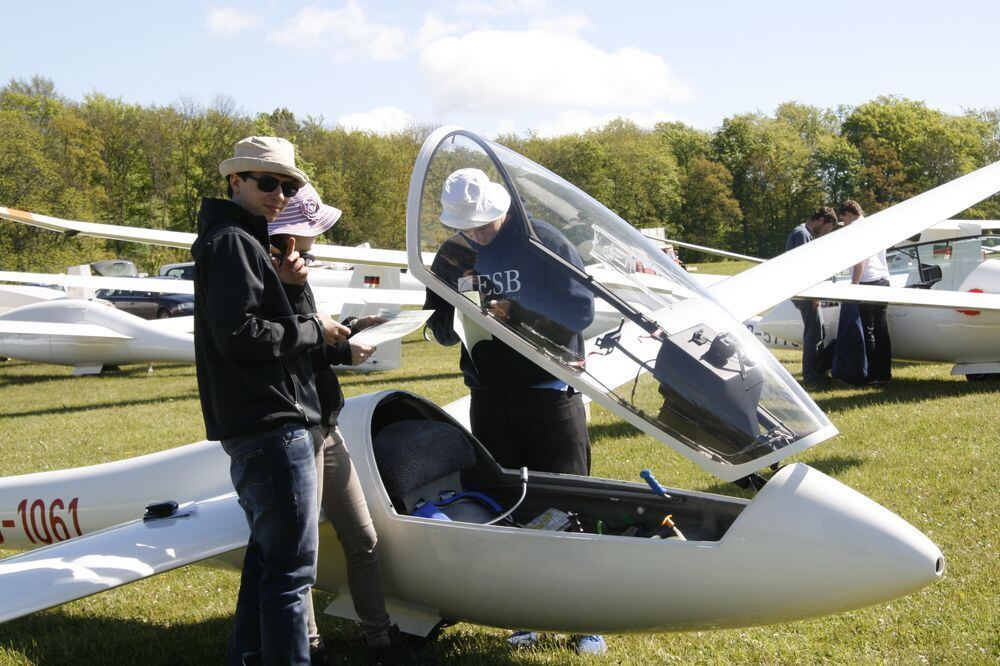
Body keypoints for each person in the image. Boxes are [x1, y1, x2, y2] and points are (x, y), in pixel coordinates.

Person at [423, 168, 606, 655]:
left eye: (484, 224)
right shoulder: (453, 254)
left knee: (570, 499)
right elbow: (439, 323)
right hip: (490, 391)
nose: (477, 235)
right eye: (468, 227)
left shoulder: (543, 241)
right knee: (508, 501)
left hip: (550, 388)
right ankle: (525, 613)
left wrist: (516, 313)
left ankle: (585, 617)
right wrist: (445, 318)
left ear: (503, 208)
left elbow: (580, 310)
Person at [192, 136, 347, 665]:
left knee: (267, 560)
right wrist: (314, 330)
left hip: (264, 419)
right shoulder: (233, 241)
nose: (280, 194)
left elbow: (257, 326)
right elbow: (240, 336)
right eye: (268, 183)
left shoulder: (244, 240)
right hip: (270, 422)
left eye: (289, 185)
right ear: (235, 180)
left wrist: (290, 293)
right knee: (290, 573)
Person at [267, 184, 409, 662]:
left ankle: (380, 635)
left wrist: (352, 331)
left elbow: (312, 340)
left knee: (363, 537)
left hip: (324, 421)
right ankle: (311, 645)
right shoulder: (269, 276)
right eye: (308, 232)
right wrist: (326, 333)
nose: (314, 242)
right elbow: (276, 346)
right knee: (299, 551)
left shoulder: (297, 275)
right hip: (292, 426)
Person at [839, 200, 892, 384]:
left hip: (868, 281)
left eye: (843, 219)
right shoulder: (875, 226)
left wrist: (854, 284)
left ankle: (873, 374)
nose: (844, 224)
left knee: (868, 330)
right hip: (884, 279)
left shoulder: (855, 229)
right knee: (882, 329)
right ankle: (885, 374)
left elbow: (859, 260)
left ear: (848, 214)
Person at [785, 207, 838, 385]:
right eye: (828, 228)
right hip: (806, 294)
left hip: (807, 293)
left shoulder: (803, 233)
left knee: (819, 331)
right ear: (821, 221)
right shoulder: (802, 234)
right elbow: (803, 267)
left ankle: (818, 372)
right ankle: (811, 376)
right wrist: (813, 295)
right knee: (813, 335)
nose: (827, 232)